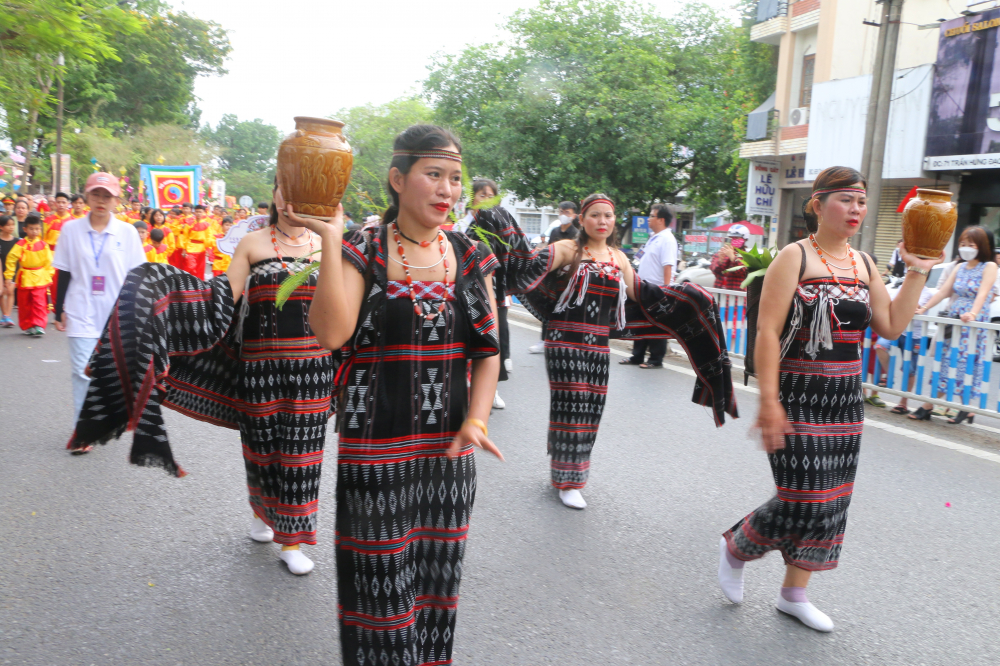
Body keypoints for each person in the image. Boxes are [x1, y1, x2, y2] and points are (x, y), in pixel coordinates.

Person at [304, 125, 504, 665]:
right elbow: (331, 334)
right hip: (375, 448)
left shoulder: (470, 255)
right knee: (379, 593)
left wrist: (478, 421)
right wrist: (329, 239)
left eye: (455, 178)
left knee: (436, 591)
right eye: (433, 175)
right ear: (398, 179)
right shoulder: (361, 251)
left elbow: (489, 352)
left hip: (449, 451)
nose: (447, 189)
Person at [719, 166, 939, 632]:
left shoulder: (863, 263)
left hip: (844, 397)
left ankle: (794, 594)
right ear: (817, 204)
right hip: (797, 393)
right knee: (807, 497)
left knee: (833, 499)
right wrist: (769, 401)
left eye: (862, 201)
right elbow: (767, 331)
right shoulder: (794, 258)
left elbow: (891, 326)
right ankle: (738, 545)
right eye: (846, 200)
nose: (857, 209)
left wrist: (919, 270)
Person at [53, 173, 147, 428]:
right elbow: (63, 271)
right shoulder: (70, 230)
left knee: (110, 372)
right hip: (80, 309)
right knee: (82, 371)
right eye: (96, 194)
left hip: (116, 313)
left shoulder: (127, 232)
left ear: (117, 200)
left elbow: (137, 276)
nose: (101, 201)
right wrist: (58, 308)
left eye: (107, 196)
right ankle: (83, 429)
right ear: (86, 196)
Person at [908, 225, 997, 424]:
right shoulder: (959, 267)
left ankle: (927, 406)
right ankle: (965, 408)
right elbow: (943, 292)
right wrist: (923, 308)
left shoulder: (989, 267)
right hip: (955, 320)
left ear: (982, 246)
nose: (965, 247)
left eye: (970, 244)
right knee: (949, 361)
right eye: (962, 244)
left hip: (973, 321)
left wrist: (973, 313)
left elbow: (984, 293)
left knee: (958, 364)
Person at [463, 178, 511, 407]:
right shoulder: (462, 222)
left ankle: (492, 389)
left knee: (493, 336)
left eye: (490, 196)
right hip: (463, 290)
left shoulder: (497, 225)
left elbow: (503, 259)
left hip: (492, 289)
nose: (486, 200)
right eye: (482, 195)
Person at [621, 203, 678, 368]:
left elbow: (668, 266)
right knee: (641, 322)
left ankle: (655, 359)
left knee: (656, 324)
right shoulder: (654, 237)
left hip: (657, 289)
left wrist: (666, 291)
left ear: (661, 219)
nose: (648, 219)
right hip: (643, 288)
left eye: (652, 216)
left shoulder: (667, 239)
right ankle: (636, 356)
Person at [4, 213, 52, 335]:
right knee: (25, 303)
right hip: (25, 277)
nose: (34, 231)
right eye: (31, 229)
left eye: (37, 229)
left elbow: (49, 262)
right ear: (25, 229)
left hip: (40, 277)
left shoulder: (43, 245)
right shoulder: (20, 244)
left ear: (40, 229)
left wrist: (48, 275)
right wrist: (9, 276)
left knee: (39, 302)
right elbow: (11, 259)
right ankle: (27, 325)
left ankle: (39, 325)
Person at [710, 224, 750, 290]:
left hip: (736, 296)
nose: (733, 240)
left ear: (745, 239)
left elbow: (743, 271)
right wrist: (720, 261)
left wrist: (733, 258)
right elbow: (714, 269)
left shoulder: (747, 256)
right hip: (719, 293)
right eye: (731, 238)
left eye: (736, 238)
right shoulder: (721, 252)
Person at [180, 204, 212, 278]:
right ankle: (189, 281)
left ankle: (199, 285)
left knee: (200, 268)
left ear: (203, 212)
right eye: (197, 212)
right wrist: (184, 249)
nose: (198, 214)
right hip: (191, 247)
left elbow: (209, 237)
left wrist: (208, 249)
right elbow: (185, 237)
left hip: (201, 248)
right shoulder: (189, 223)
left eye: (200, 212)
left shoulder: (206, 225)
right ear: (194, 212)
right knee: (190, 266)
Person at [0, 216, 16, 327]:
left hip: (12, 271)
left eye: (12, 225)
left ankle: (8, 315)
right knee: (1, 293)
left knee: (10, 291)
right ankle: (4, 315)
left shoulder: (17, 241)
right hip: (1, 269)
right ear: (1, 227)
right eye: (8, 225)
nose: (11, 227)